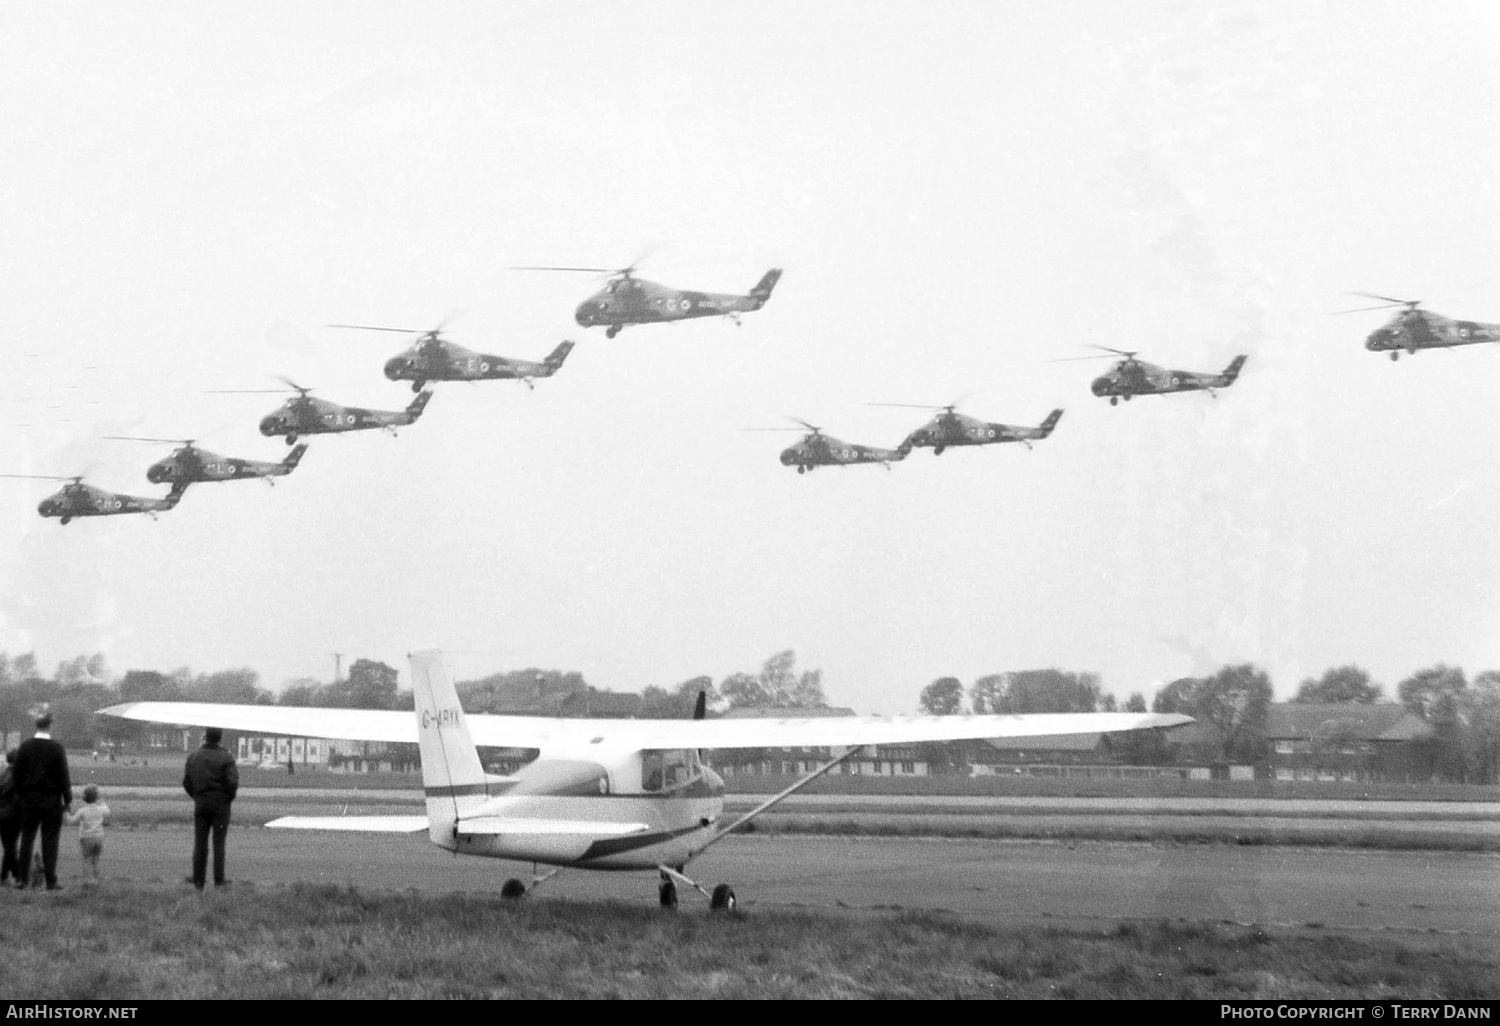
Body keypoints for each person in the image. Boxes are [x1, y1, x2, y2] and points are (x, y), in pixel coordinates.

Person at [14, 712, 72, 890]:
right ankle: (50, 881)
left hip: (29, 799)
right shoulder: (56, 748)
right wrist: (67, 800)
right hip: (51, 800)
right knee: (50, 841)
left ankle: (22, 879)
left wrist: (21, 796)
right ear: (50, 726)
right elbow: (64, 776)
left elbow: (17, 774)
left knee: (27, 839)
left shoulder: (25, 746)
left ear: (36, 725)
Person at [183, 727, 238, 890]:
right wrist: (228, 797)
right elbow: (232, 782)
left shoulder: (193, 757)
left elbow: (187, 781)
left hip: (201, 803)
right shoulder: (226, 757)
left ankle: (198, 881)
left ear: (205, 737)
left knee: (200, 843)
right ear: (220, 738)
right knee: (219, 843)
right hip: (221, 805)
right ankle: (219, 881)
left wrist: (198, 796)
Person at [65, 784, 109, 885]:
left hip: (86, 838)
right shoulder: (101, 809)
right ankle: (96, 880)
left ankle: (88, 881)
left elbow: (71, 821)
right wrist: (102, 802)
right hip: (99, 838)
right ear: (96, 797)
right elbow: (107, 812)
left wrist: (66, 812)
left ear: (84, 798)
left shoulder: (82, 811)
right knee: (95, 861)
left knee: (86, 860)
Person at [0, 750, 19, 886]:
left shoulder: (3, 775)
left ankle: (9, 875)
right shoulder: (17, 777)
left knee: (8, 846)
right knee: (11, 847)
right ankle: (15, 875)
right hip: (12, 814)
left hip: (1, 814)